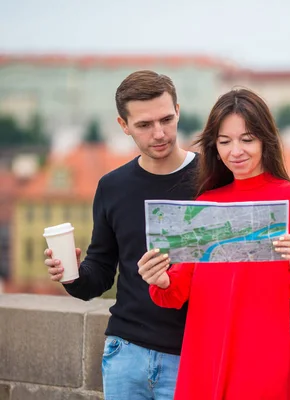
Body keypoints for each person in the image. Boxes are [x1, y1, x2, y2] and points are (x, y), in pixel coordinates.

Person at [137, 88, 290, 399]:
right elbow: (175, 294)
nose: (235, 151)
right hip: (203, 360)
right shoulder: (206, 203)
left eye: (247, 139)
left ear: (266, 140)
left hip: (262, 363)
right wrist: (160, 279)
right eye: (224, 141)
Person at [44, 70, 199, 400]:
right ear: (123, 125)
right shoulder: (112, 186)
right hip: (125, 353)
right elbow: (99, 275)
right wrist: (71, 275)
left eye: (166, 119)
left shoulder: (212, 179)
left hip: (193, 354)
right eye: (144, 125)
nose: (159, 133)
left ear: (178, 111)